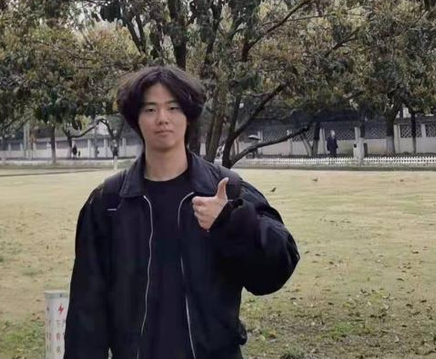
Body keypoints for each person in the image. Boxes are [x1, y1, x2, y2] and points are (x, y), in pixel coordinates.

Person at [65, 66, 299, 359]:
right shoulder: (109, 203)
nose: (162, 118)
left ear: (188, 115)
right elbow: (86, 313)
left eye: (173, 108)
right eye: (150, 109)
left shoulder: (224, 189)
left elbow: (276, 270)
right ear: (137, 119)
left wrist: (230, 221)